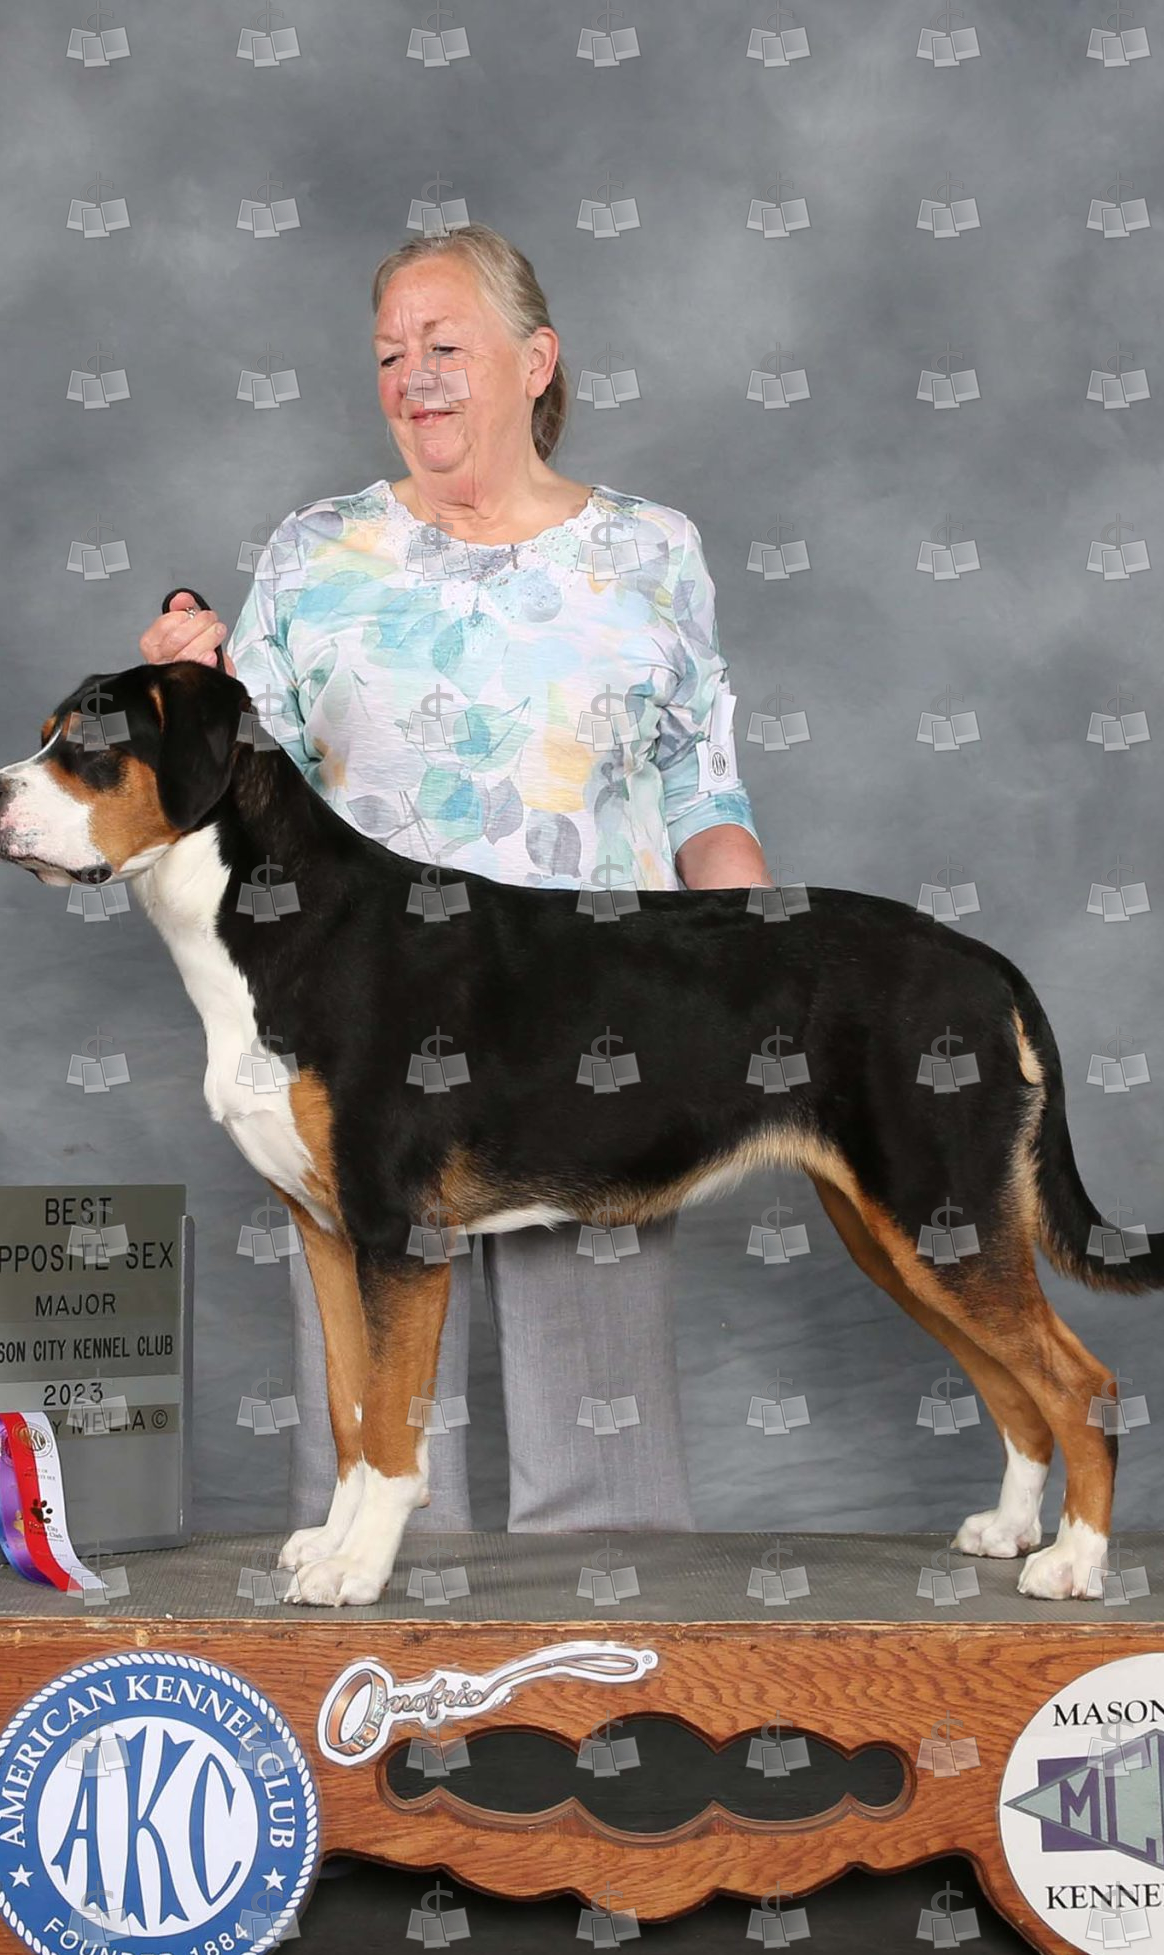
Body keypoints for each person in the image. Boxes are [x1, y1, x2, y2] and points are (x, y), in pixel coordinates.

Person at [138, 223, 775, 1541]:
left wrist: (765, 971)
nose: (413, 376)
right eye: (389, 355)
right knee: (375, 1462)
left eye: (445, 346)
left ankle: (603, 1660)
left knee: (604, 1470)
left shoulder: (653, 550)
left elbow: (702, 793)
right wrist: (183, 695)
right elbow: (242, 790)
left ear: (536, 361)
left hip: (591, 1031)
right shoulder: (315, 552)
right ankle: (376, 1644)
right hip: (357, 1036)